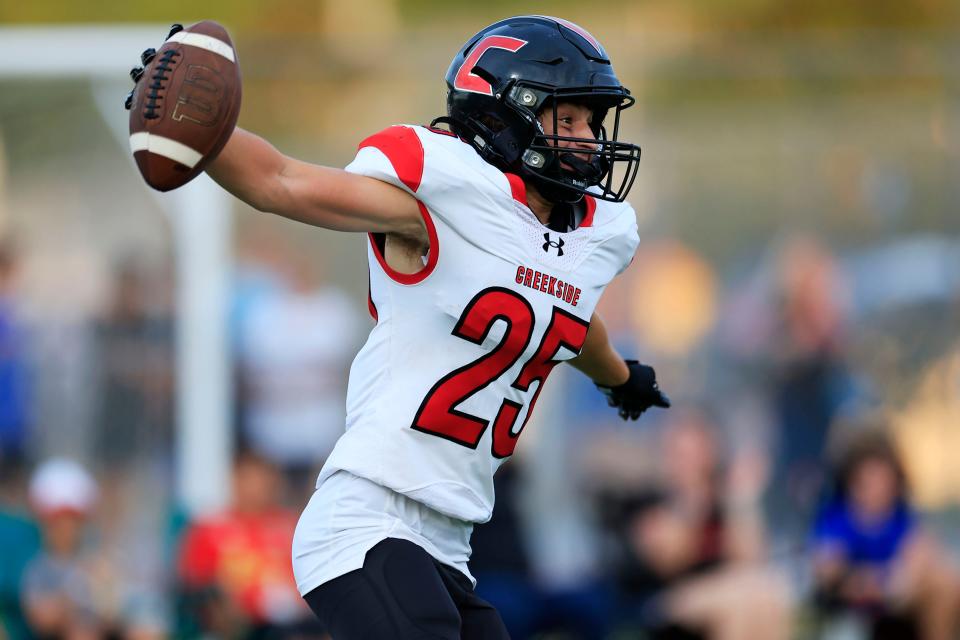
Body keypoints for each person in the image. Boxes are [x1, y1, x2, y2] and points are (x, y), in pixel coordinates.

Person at [128, 15, 670, 639]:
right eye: (567, 120)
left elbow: (574, 325)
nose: (587, 140)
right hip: (368, 524)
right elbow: (282, 181)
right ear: (507, 113)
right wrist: (198, 129)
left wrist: (622, 378)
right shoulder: (439, 201)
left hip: (448, 547)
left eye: (591, 123)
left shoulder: (581, 242)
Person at [811, 428, 960, 640]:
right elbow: (829, 571)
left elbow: (920, 554)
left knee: (945, 582)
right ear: (852, 483)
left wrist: (900, 579)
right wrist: (875, 580)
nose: (876, 488)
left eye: (883, 479)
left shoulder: (902, 515)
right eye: (867, 481)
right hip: (861, 607)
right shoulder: (838, 519)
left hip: (904, 599)